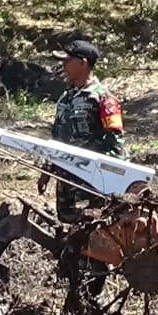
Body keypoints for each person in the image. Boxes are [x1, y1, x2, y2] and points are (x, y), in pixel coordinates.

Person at [38, 39, 126, 223]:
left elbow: (116, 143)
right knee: (65, 227)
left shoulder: (103, 99)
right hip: (65, 180)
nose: (63, 65)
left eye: (67, 61)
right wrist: (47, 169)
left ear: (82, 62)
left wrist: (117, 182)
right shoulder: (66, 97)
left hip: (90, 181)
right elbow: (57, 138)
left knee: (88, 229)